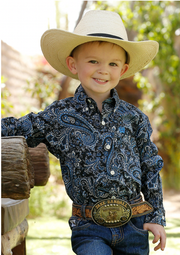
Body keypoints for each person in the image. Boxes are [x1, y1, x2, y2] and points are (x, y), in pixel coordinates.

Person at [1, 10, 166, 255]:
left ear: (123, 69)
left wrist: (157, 217)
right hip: (89, 227)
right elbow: (18, 128)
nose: (103, 70)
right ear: (72, 64)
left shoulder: (135, 119)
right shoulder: (59, 116)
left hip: (135, 226)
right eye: (93, 61)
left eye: (112, 63)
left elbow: (150, 166)